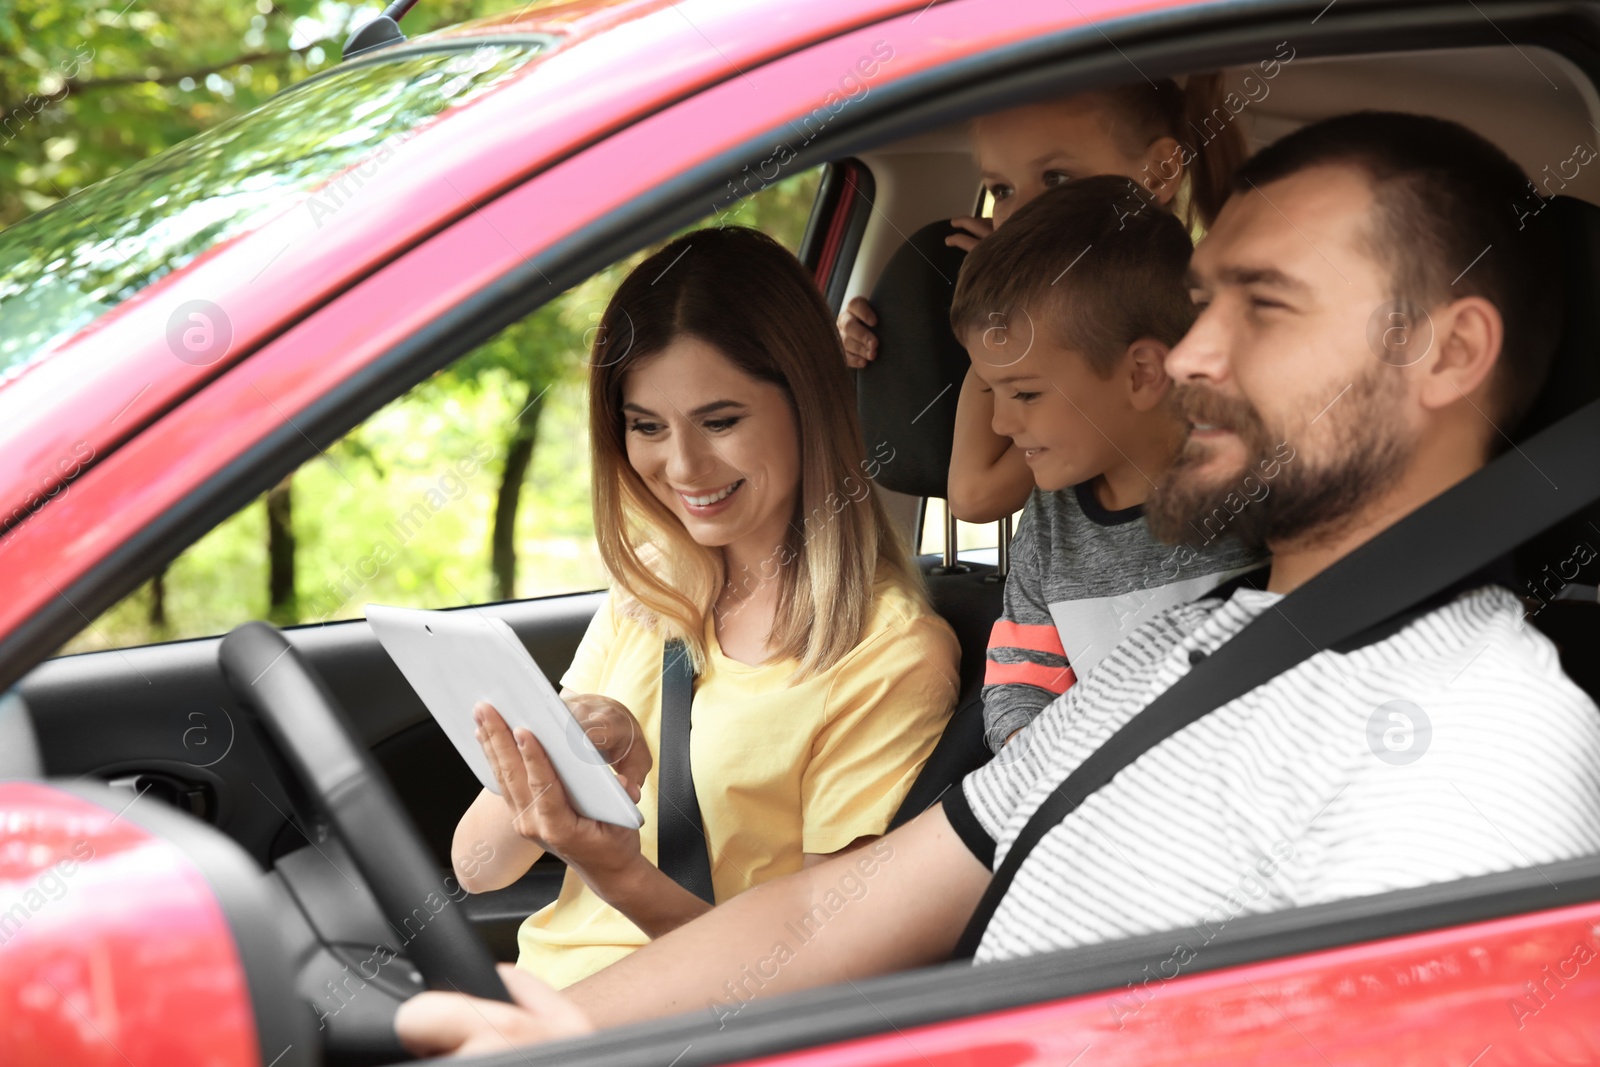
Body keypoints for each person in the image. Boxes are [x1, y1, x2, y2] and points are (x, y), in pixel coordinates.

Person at [395, 111, 1600, 1055]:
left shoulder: (1478, 744)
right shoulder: (1177, 653)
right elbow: (843, 907)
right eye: (1195, 306)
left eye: (1264, 309)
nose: (1186, 357)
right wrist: (561, 1032)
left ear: (1448, 352)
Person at [451, 226, 959, 990]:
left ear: (809, 403)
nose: (681, 466)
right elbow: (479, 866)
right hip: (540, 1006)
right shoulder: (650, 589)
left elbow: (815, 981)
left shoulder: (889, 654)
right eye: (647, 426)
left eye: (720, 421)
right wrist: (557, 755)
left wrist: (617, 871)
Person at [838, 74, 1252, 523]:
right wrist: (895, 333)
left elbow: (976, 495)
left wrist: (1007, 312)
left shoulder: (1175, 343)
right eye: (1001, 191)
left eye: (1055, 178)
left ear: (1158, 172)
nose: (1019, 214)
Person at [949, 177, 1262, 750]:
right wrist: (1025, 748)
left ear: (1141, 373)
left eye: (1023, 394)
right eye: (989, 391)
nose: (998, 424)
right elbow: (1025, 671)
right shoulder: (1050, 523)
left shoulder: (1254, 488)